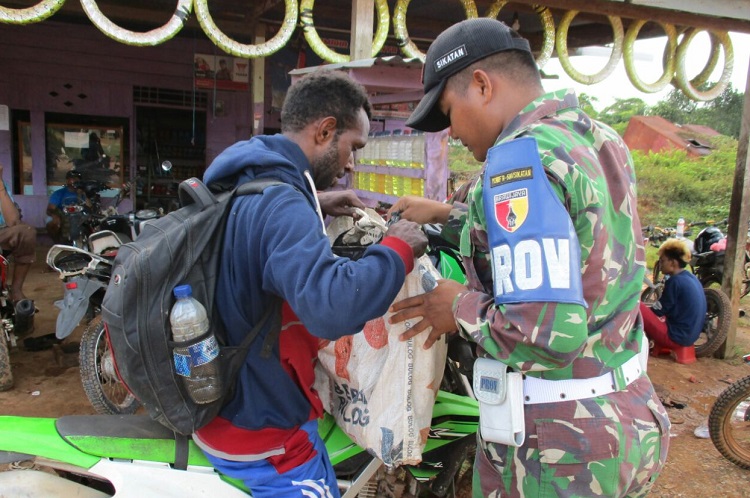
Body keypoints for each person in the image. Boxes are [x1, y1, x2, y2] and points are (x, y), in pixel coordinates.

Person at [387, 18, 670, 497]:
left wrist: (455, 308)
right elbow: (577, 240)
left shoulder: (518, 162)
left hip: (558, 447)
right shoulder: (595, 139)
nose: (451, 134)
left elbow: (545, 334)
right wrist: (450, 215)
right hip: (622, 414)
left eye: (449, 113)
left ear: (481, 85)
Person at [193, 70, 428, 498]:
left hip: (223, 407)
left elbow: (257, 231)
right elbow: (331, 306)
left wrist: (315, 202)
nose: (351, 163)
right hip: (265, 434)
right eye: (352, 147)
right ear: (325, 131)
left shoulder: (245, 178)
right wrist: (398, 249)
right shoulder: (282, 202)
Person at [640, 239, 707, 352]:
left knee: (637, 305)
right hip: (690, 337)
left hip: (676, 337)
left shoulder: (675, 281)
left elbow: (658, 311)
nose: (660, 265)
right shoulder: (691, 278)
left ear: (673, 263)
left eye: (662, 261)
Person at [0, 164, 37, 303]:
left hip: (1, 232)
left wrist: (0, 184)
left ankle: (16, 290)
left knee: (26, 232)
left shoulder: (3, 186)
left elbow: (12, 221)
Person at [46, 169, 88, 243]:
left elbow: (89, 206)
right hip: (63, 214)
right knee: (51, 222)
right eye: (72, 179)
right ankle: (57, 243)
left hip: (79, 215)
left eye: (76, 179)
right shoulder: (59, 193)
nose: (74, 181)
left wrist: (83, 193)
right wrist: (55, 216)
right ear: (67, 180)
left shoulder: (83, 193)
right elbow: (50, 209)